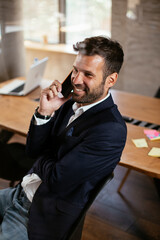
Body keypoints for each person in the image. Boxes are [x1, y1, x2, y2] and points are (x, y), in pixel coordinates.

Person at [0, 36, 127, 240]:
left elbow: (57, 180)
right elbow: (32, 151)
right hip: (19, 193)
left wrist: (45, 158)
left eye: (88, 74)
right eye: (75, 70)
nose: (76, 80)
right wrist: (44, 112)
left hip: (37, 214)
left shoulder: (110, 130)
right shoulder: (68, 103)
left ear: (110, 80)